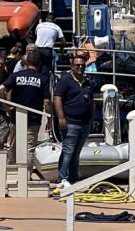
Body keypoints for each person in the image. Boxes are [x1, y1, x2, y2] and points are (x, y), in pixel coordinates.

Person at [0, 49, 51, 170]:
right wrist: (49, 119)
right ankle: (26, 176)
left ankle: (11, 173)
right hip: (34, 119)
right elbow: (47, 102)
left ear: (25, 63)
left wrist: (6, 106)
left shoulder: (16, 76)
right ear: (39, 64)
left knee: (13, 147)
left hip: (16, 117)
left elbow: (0, 89)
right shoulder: (43, 79)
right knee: (29, 149)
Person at [53, 55, 94, 189]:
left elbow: (91, 102)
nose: (80, 67)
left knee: (76, 153)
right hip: (70, 122)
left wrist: (91, 119)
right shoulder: (65, 80)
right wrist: (61, 117)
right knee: (68, 151)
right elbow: (57, 98)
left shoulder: (87, 82)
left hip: (84, 123)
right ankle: (62, 178)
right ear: (72, 66)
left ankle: (73, 178)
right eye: (77, 65)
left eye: (82, 65)